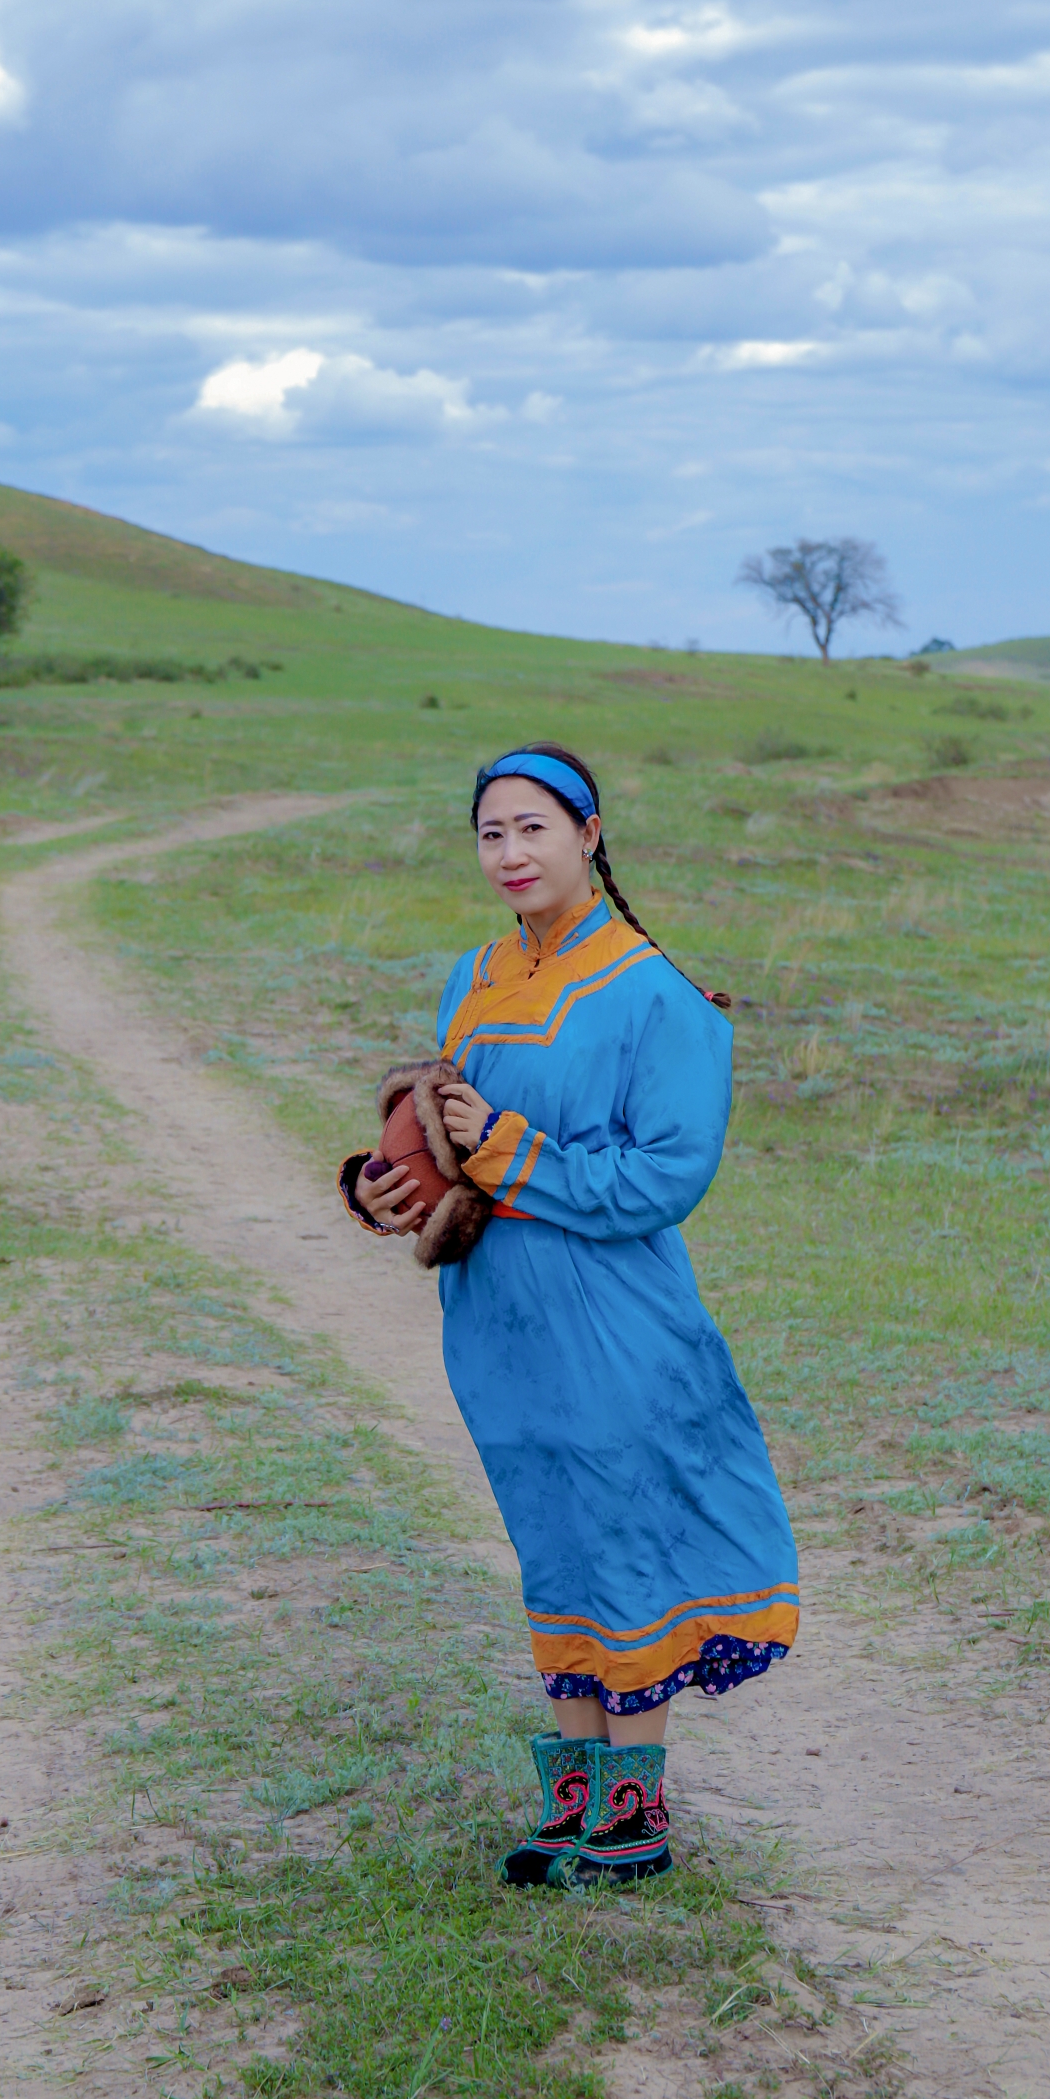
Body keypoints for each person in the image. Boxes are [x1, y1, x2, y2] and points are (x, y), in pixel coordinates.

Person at [339, 744, 799, 1887]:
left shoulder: (657, 996)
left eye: (533, 828)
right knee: (550, 1533)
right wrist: (379, 1181)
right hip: (495, 1320)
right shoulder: (474, 975)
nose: (510, 852)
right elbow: (435, 1130)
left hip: (611, 1319)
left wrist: (509, 1153)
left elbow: (666, 1179)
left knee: (622, 1532)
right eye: (491, 832)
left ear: (588, 835)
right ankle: (576, 1798)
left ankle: (635, 1817)